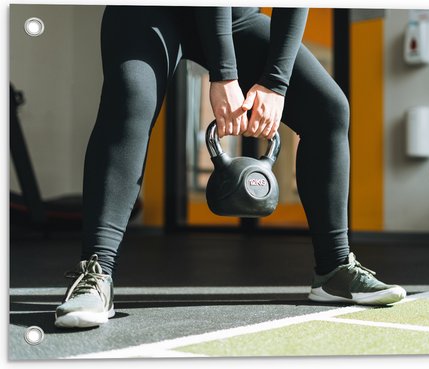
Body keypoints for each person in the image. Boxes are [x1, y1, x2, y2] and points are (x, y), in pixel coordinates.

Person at [54, 6, 406, 329]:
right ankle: (95, 273)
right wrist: (224, 76)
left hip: (236, 15)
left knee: (328, 109)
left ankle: (334, 270)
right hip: (149, 13)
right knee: (130, 98)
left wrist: (275, 83)